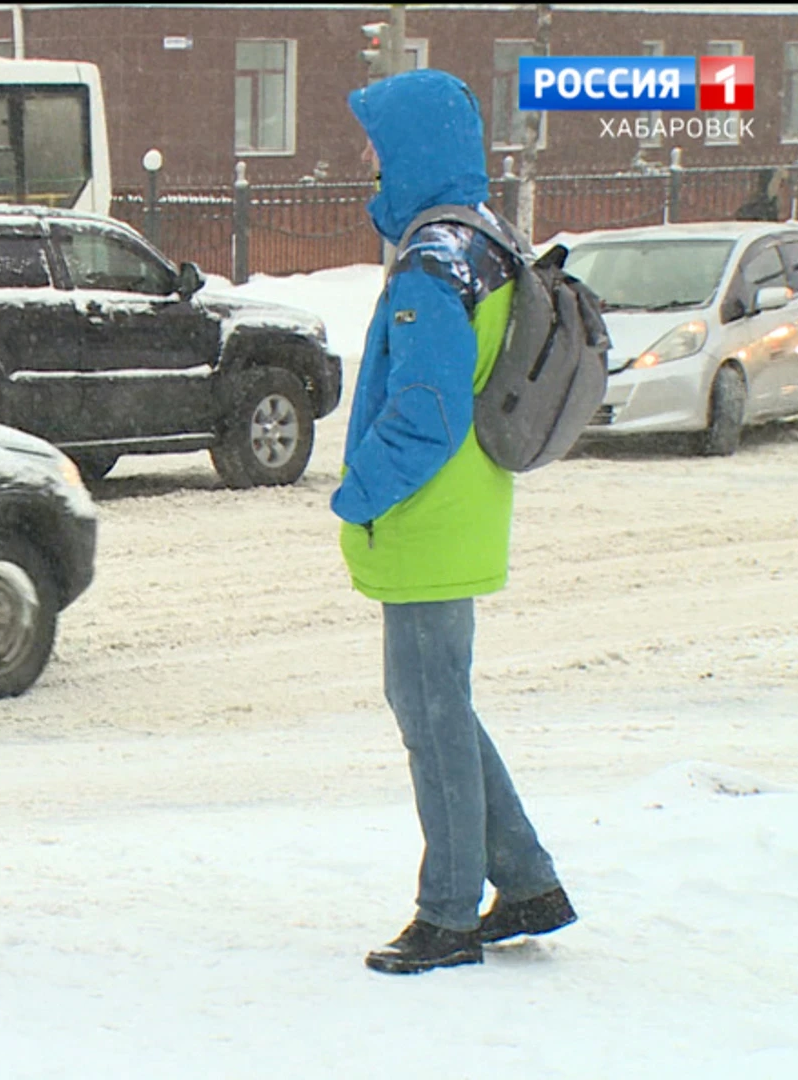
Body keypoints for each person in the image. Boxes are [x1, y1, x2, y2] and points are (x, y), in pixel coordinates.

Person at [333, 68, 577, 975]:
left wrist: (358, 492)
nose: (367, 158)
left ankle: (448, 914)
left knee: (430, 714)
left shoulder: (432, 263)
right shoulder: (484, 239)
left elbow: (426, 410)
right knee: (441, 707)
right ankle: (526, 881)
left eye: (376, 143)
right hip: (466, 510)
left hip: (426, 518)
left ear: (412, 149)